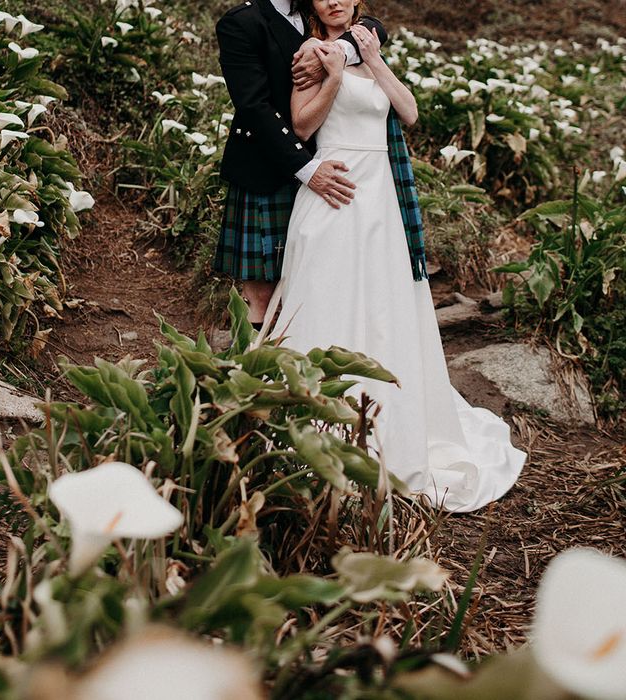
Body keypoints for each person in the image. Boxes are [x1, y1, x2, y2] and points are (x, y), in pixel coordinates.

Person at [270, 0, 526, 512]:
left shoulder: (370, 44)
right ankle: (320, 422)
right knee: (327, 292)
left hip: (381, 198)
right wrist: (335, 77)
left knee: (386, 302)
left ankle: (391, 416)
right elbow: (300, 128)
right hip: (334, 186)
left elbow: (407, 111)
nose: (335, 1)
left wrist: (372, 60)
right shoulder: (310, 54)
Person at [213, 0, 388, 328]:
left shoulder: (315, 11)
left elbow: (374, 28)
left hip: (322, 158)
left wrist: (333, 56)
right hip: (269, 170)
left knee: (319, 281)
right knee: (264, 294)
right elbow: (253, 107)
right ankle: (257, 373)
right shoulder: (241, 22)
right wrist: (307, 170)